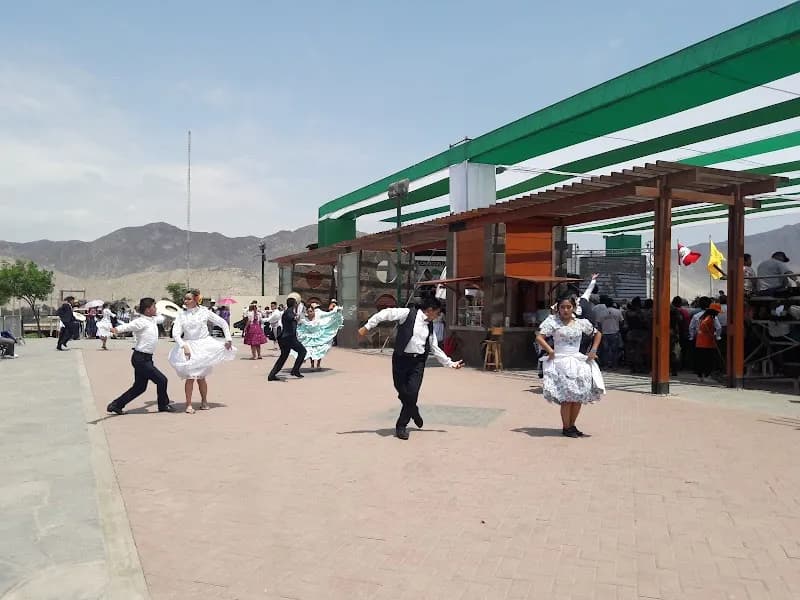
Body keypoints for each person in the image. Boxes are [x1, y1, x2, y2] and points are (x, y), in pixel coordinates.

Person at [358, 297, 464, 440]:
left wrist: (450, 363)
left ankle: (401, 426)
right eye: (437, 313)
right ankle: (413, 410)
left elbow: (434, 347)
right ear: (430, 310)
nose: (438, 316)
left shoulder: (430, 325)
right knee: (402, 392)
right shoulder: (407, 313)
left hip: (418, 363)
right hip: (401, 360)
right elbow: (385, 314)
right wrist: (368, 326)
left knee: (412, 392)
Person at [535, 296, 604, 438]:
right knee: (567, 397)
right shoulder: (553, 322)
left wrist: (593, 350)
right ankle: (566, 427)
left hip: (577, 361)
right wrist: (550, 350)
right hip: (561, 362)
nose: (565, 310)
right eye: (562, 307)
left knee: (577, 396)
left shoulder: (581, 323)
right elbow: (539, 337)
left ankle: (572, 425)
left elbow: (597, 334)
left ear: (573, 308)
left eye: (568, 307)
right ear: (558, 308)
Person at [168, 290, 236, 413]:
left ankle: (204, 401)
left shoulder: (204, 312)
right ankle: (188, 404)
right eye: (185, 299)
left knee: (201, 377)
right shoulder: (182, 315)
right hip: (189, 345)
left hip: (204, 346)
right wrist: (184, 345)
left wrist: (228, 338)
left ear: (195, 300)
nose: (185, 301)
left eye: (188, 299)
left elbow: (222, 323)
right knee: (190, 377)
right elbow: (176, 333)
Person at [106, 298, 175, 415]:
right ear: (148, 310)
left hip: (146, 359)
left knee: (140, 387)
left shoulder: (153, 320)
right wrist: (116, 329)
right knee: (162, 380)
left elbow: (162, 318)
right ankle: (163, 405)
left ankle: (116, 405)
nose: (156, 309)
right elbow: (128, 326)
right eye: (154, 307)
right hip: (141, 359)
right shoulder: (141, 321)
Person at [268, 297, 307, 381]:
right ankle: (295, 370)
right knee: (303, 351)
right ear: (294, 304)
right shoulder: (289, 312)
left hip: (285, 338)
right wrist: (297, 317)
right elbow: (292, 317)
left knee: (283, 356)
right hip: (289, 338)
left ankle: (272, 375)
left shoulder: (289, 311)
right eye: (296, 303)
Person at [294, 304, 344, 370]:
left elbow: (328, 314)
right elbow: (300, 324)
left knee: (319, 350)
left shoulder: (318, 315)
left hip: (319, 335)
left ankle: (318, 364)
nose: (310, 313)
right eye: (309, 311)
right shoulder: (304, 318)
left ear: (314, 311)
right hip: (309, 337)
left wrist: (336, 311)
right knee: (311, 350)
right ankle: (312, 365)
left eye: (311, 311)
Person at [694, 303, 722, 382]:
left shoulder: (701, 317)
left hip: (699, 341)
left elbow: (696, 328)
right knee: (709, 360)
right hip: (708, 342)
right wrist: (718, 336)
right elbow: (719, 328)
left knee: (700, 359)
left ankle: (699, 376)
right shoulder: (713, 318)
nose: (718, 313)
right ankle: (707, 376)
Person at [593, 296, 623, 369]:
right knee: (615, 350)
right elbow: (622, 321)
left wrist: (601, 331)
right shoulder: (618, 311)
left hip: (605, 333)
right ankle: (614, 365)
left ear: (605, 305)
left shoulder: (601, 313)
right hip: (615, 333)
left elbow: (599, 323)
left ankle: (606, 365)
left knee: (605, 350)